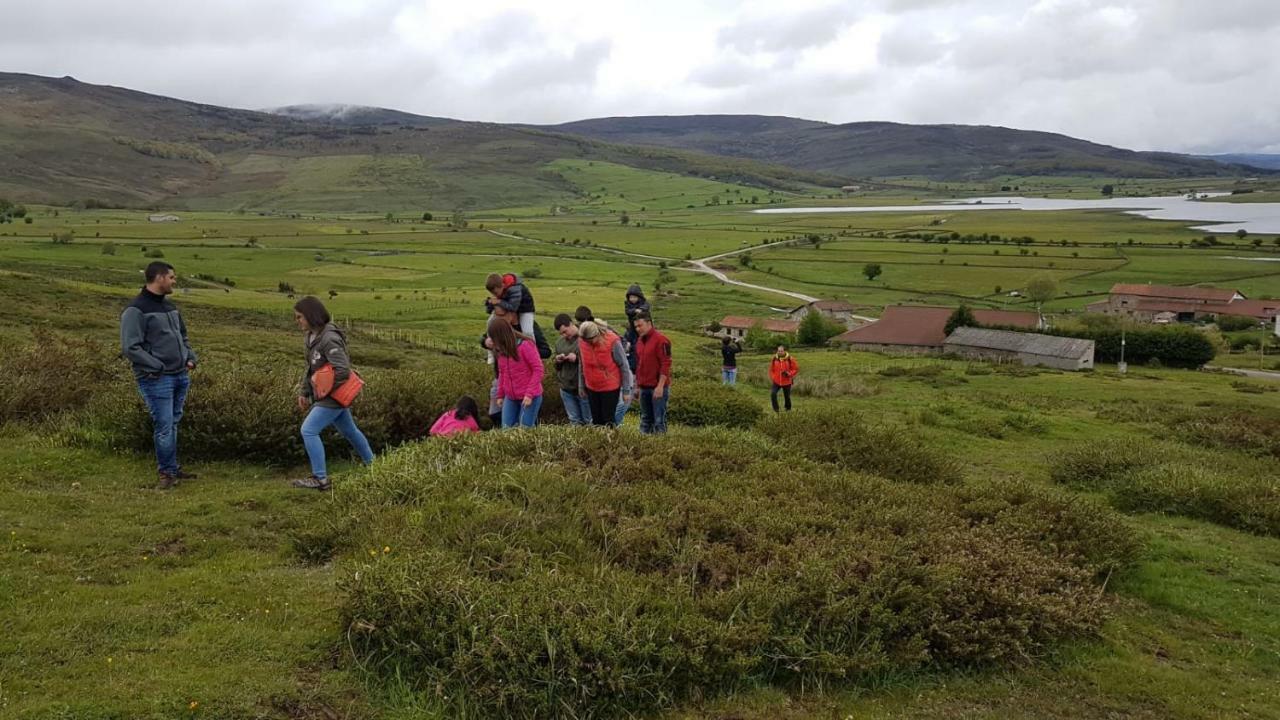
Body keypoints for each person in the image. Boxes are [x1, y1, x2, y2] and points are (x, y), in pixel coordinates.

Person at [120, 261, 198, 489]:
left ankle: (172, 468)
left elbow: (183, 336)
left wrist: (190, 357)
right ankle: (166, 474)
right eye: (172, 277)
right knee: (164, 424)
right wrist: (158, 366)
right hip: (157, 378)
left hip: (180, 374)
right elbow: (130, 347)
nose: (174, 281)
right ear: (160, 278)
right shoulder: (136, 310)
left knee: (172, 423)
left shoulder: (170, 307)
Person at [293, 296, 375, 491]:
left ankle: (320, 479)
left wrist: (322, 392)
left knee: (309, 430)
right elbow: (312, 368)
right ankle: (374, 466)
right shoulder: (311, 336)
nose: (297, 321)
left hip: (334, 395)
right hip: (326, 395)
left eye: (299, 317)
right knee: (349, 431)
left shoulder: (329, 338)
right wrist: (305, 391)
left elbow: (342, 370)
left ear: (311, 316)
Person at [576, 320, 634, 428]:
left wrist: (626, 390)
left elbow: (624, 366)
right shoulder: (582, 341)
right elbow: (581, 364)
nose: (588, 343)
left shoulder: (613, 341)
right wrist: (581, 385)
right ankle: (599, 443)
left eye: (590, 341)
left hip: (610, 387)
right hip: (591, 386)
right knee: (596, 420)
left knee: (608, 420)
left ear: (597, 334)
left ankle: (610, 442)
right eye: (585, 341)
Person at [490, 317, 544, 428]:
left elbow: (538, 369)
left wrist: (529, 394)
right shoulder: (501, 351)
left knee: (525, 429)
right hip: (510, 397)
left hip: (530, 396)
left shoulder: (525, 345)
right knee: (506, 429)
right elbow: (502, 373)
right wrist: (500, 394)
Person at [632, 312, 672, 434]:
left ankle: (661, 447)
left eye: (640, 325)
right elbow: (639, 365)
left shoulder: (662, 340)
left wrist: (660, 386)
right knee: (645, 419)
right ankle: (644, 446)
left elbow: (666, 364)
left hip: (657, 387)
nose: (638, 329)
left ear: (649, 323)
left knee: (659, 420)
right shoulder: (639, 342)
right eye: (636, 327)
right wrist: (637, 386)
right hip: (644, 387)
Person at [553, 314, 593, 426]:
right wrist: (557, 360)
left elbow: (593, 360)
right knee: (574, 421)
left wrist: (577, 359)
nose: (564, 335)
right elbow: (556, 367)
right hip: (566, 388)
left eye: (565, 331)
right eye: (561, 333)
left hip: (583, 388)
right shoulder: (559, 343)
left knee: (589, 421)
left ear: (571, 324)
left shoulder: (586, 338)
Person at [622, 284, 650, 370]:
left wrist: (641, 310)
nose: (632, 299)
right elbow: (628, 311)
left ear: (639, 297)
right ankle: (632, 364)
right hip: (632, 329)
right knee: (632, 344)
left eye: (634, 297)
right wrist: (635, 310)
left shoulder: (644, 303)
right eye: (631, 297)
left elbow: (646, 307)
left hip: (643, 329)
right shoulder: (628, 304)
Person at [769, 345, 799, 413]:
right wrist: (773, 377)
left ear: (784, 351)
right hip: (776, 381)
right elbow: (771, 369)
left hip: (787, 381)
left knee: (787, 397)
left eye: (781, 351)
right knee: (773, 394)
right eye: (779, 351)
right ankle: (776, 409)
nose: (780, 352)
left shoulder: (790, 359)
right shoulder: (774, 359)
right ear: (777, 351)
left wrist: (789, 373)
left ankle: (788, 409)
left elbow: (795, 369)